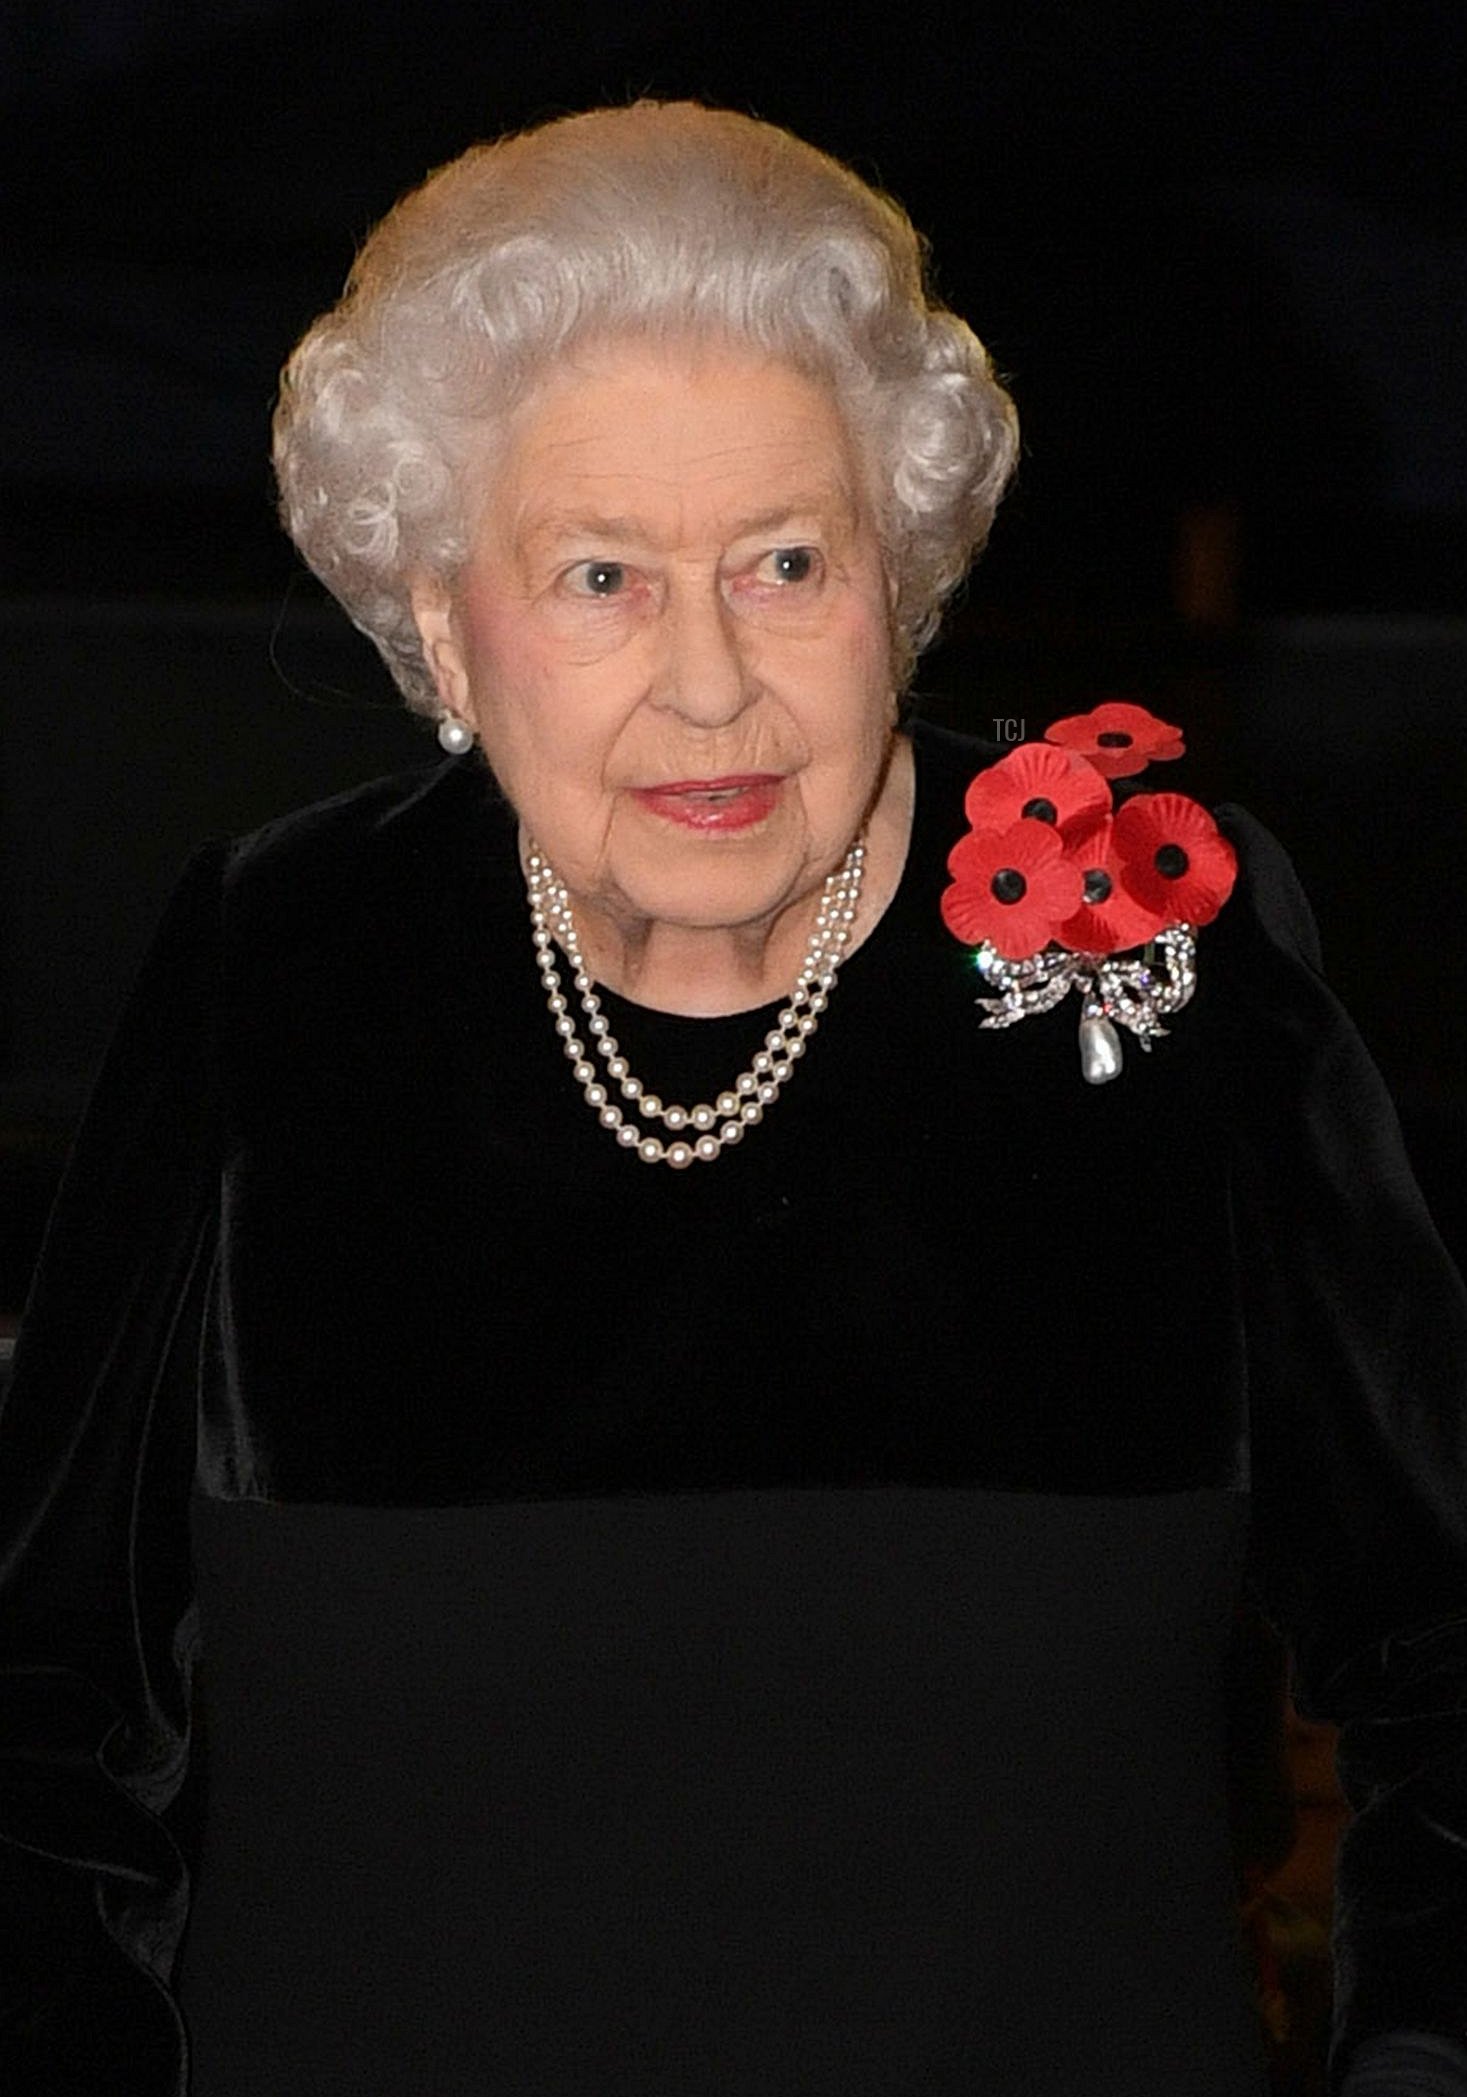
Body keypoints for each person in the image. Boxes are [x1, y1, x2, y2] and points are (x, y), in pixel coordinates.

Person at [2, 100, 1465, 2097]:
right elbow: (47, 1716)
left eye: (784, 559)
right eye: (599, 574)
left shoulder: (1146, 921)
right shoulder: (284, 953)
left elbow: (1442, 1661)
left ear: (904, 571)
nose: (707, 680)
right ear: (442, 618)